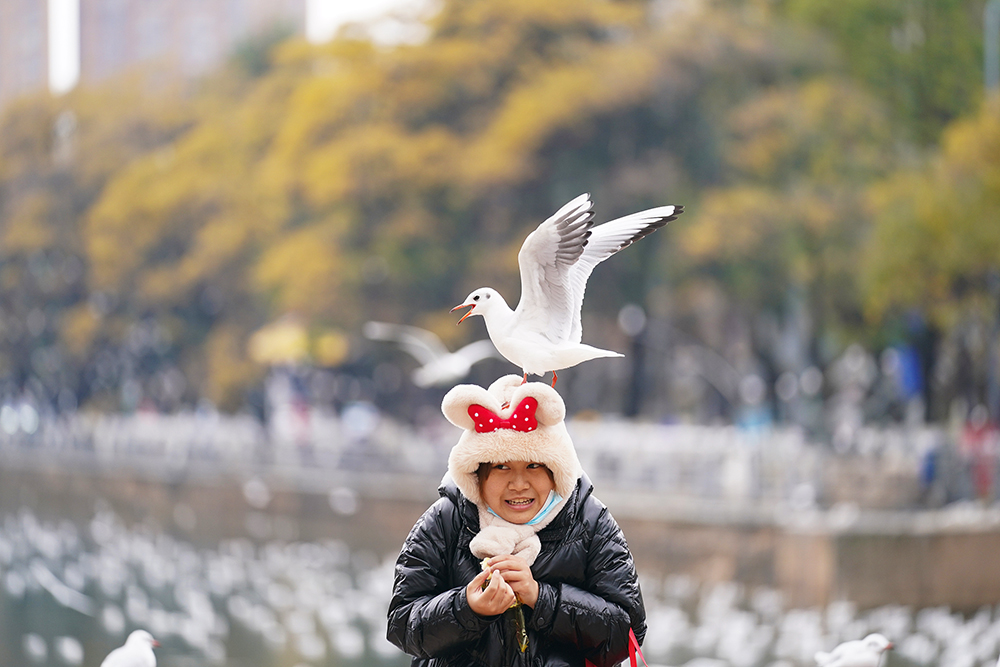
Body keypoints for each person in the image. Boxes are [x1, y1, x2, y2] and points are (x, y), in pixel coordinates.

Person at [387, 376, 645, 666]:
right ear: (476, 474)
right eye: (501, 466)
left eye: (534, 465)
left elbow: (627, 634)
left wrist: (541, 598)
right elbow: (402, 625)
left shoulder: (590, 523)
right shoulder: (445, 521)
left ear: (556, 471)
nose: (518, 483)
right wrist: (467, 608)